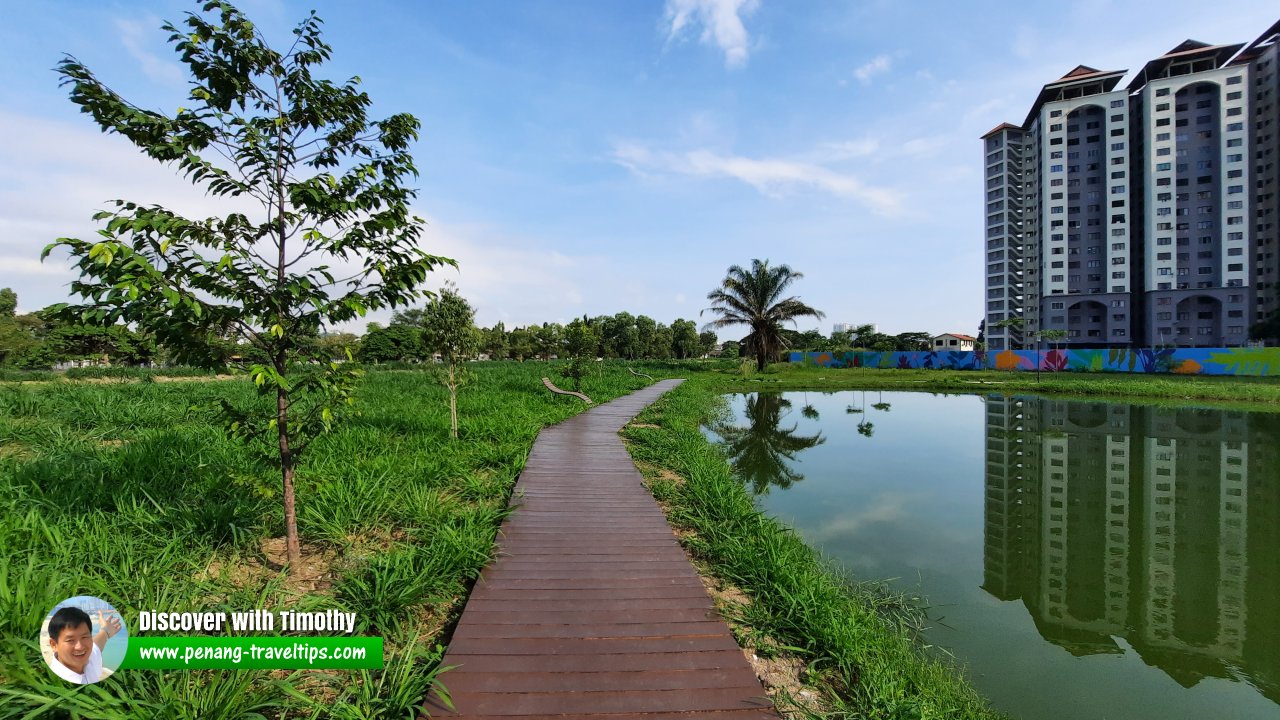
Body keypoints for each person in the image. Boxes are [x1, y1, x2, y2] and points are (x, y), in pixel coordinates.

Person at [46, 606, 121, 684]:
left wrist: (105, 630)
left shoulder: (90, 658)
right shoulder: (56, 681)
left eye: (84, 637)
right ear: (54, 645)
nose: (80, 647)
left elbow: (96, 645)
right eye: (70, 640)